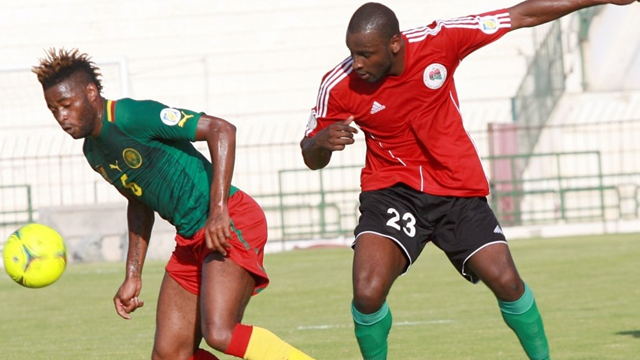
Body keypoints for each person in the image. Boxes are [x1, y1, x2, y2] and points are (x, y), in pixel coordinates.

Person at [300, 1, 637, 359]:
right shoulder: (338, 85)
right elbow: (310, 157)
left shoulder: (440, 41)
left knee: (507, 282)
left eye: (366, 53)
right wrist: (319, 144)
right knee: (367, 293)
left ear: (395, 44)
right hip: (393, 192)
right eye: (353, 53)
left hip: (457, 189)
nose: (358, 63)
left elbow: (521, 15)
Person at [34, 48, 316, 360]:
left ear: (90, 93)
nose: (61, 117)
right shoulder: (94, 152)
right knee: (170, 355)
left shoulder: (131, 116)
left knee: (220, 333)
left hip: (230, 218)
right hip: (191, 238)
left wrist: (218, 209)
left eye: (66, 105)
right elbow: (139, 203)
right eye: (53, 110)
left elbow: (221, 129)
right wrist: (133, 274)